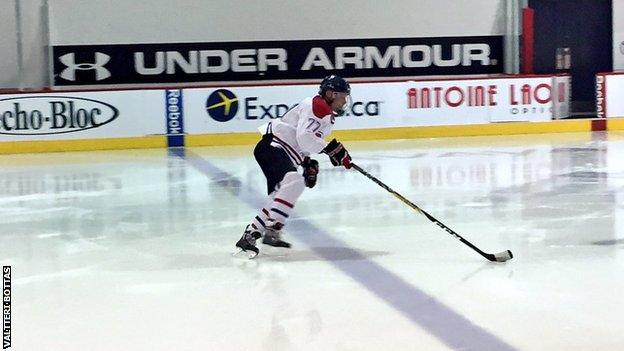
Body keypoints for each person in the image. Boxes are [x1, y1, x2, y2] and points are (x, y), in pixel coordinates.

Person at [235, 75, 353, 258]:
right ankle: (273, 229)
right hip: (272, 147)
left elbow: (303, 143)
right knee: (294, 182)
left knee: (278, 195)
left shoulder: (325, 114)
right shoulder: (317, 106)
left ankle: (250, 234)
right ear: (330, 94)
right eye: (342, 96)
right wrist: (331, 150)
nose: (344, 100)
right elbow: (304, 138)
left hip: (279, 149)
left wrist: (307, 162)